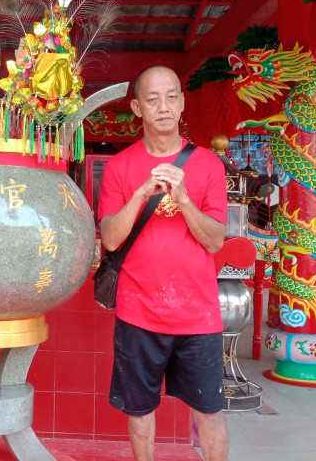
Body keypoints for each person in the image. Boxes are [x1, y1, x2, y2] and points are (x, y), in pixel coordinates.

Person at [97, 66, 229, 461]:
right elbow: (111, 238)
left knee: (210, 410)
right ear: (137, 107)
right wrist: (141, 194)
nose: (163, 106)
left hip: (199, 314)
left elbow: (215, 240)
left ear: (182, 103)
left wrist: (184, 198)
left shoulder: (208, 164)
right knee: (140, 410)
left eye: (172, 96)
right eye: (152, 99)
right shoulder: (119, 167)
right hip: (139, 312)